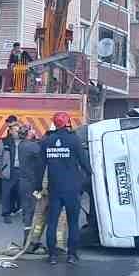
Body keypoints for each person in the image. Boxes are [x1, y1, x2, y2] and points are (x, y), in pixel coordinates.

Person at [41, 111, 91, 265]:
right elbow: (84, 162)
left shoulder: (47, 141)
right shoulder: (74, 140)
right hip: (72, 188)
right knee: (73, 222)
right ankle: (71, 255)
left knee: (52, 222)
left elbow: (40, 166)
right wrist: (90, 175)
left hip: (54, 188)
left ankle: (52, 256)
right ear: (68, 123)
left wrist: (38, 186)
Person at [0, 116, 23, 223]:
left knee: (20, 192)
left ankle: (16, 208)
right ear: (10, 131)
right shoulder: (4, 142)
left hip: (21, 171)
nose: (17, 132)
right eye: (15, 130)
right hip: (8, 171)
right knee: (6, 193)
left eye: (18, 130)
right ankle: (6, 213)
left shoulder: (23, 141)